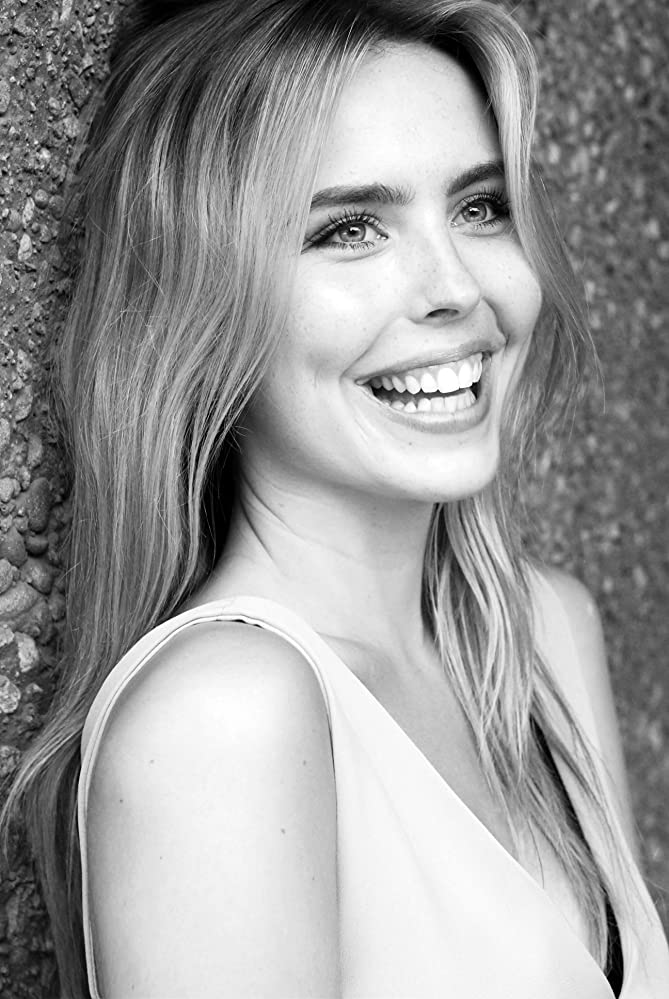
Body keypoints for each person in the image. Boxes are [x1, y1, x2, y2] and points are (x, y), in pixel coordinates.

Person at [2, 0, 668, 996]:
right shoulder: (221, 717)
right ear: (198, 303)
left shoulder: (548, 635)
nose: (455, 288)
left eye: (480, 206)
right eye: (350, 229)